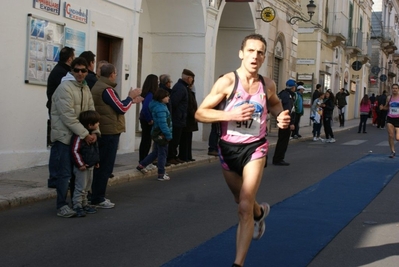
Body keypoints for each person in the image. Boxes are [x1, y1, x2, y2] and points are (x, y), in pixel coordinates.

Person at [195, 33, 290, 267]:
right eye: (250, 51)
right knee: (240, 199)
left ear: (265, 57)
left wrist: (281, 116)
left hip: (255, 148)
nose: (255, 56)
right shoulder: (227, 82)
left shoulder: (267, 84)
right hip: (228, 149)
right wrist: (230, 114)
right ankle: (259, 213)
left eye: (260, 52)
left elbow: (276, 103)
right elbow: (200, 112)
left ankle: (238, 263)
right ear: (241, 54)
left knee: (244, 205)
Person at [91, 63, 143, 209]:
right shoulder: (107, 90)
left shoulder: (99, 86)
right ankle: (98, 197)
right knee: (105, 167)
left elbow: (117, 105)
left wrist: (131, 101)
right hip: (109, 132)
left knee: (100, 166)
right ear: (112, 74)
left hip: (105, 130)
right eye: (116, 73)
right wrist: (130, 97)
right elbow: (121, 108)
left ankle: (94, 194)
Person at [50, 57, 97, 218]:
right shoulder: (65, 88)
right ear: (72, 70)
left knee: (81, 172)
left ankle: (79, 203)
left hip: (80, 137)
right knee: (64, 174)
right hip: (65, 137)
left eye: (83, 70)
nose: (80, 73)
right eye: (76, 70)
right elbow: (67, 116)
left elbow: (91, 111)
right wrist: (85, 134)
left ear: (87, 71)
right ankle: (62, 205)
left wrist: (95, 133)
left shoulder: (85, 88)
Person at [46, 46, 75, 188]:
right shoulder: (62, 73)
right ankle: (55, 178)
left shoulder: (59, 70)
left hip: (56, 112)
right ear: (70, 59)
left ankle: (57, 177)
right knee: (58, 146)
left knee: (59, 146)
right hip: (58, 114)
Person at [136, 89, 172, 181]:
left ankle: (142, 165)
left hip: (156, 132)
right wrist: (168, 135)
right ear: (161, 98)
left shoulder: (157, 105)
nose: (168, 98)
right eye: (167, 96)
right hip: (161, 133)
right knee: (162, 154)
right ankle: (161, 173)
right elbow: (163, 124)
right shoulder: (161, 109)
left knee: (156, 152)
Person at [70, 110, 101, 217]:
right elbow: (75, 150)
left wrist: (96, 161)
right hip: (82, 167)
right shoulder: (80, 136)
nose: (98, 124)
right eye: (97, 123)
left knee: (87, 186)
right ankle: (77, 205)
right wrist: (80, 164)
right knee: (80, 186)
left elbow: (95, 150)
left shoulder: (92, 136)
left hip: (91, 165)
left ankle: (84, 203)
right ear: (90, 124)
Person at [167, 69, 194, 165]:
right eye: (192, 79)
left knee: (177, 139)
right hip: (177, 118)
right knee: (174, 139)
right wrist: (179, 115)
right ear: (188, 78)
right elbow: (174, 103)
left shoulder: (182, 87)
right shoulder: (180, 88)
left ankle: (174, 156)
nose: (192, 81)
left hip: (180, 118)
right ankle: (171, 156)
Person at [272, 79, 296, 166]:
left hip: (283, 120)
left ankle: (278, 158)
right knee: (283, 141)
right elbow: (288, 110)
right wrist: (291, 123)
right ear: (293, 87)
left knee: (282, 140)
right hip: (285, 121)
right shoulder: (287, 96)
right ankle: (279, 159)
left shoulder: (283, 94)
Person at [139, 74, 158, 162]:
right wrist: (149, 119)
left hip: (144, 119)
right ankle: (144, 160)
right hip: (146, 120)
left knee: (145, 140)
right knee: (146, 141)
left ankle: (143, 159)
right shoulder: (150, 94)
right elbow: (145, 108)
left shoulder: (147, 93)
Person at [179, 81, 199, 162]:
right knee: (185, 139)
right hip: (188, 119)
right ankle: (184, 156)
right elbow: (190, 106)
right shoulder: (188, 93)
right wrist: (194, 115)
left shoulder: (191, 93)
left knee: (188, 138)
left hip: (190, 119)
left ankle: (188, 156)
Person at [380, 84, 399, 158]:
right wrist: (382, 108)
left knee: (397, 138)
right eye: (393, 88)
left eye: (396, 88)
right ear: (391, 89)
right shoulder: (389, 98)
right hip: (390, 118)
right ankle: (392, 151)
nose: (394, 90)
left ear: (398, 89)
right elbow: (387, 107)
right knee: (391, 135)